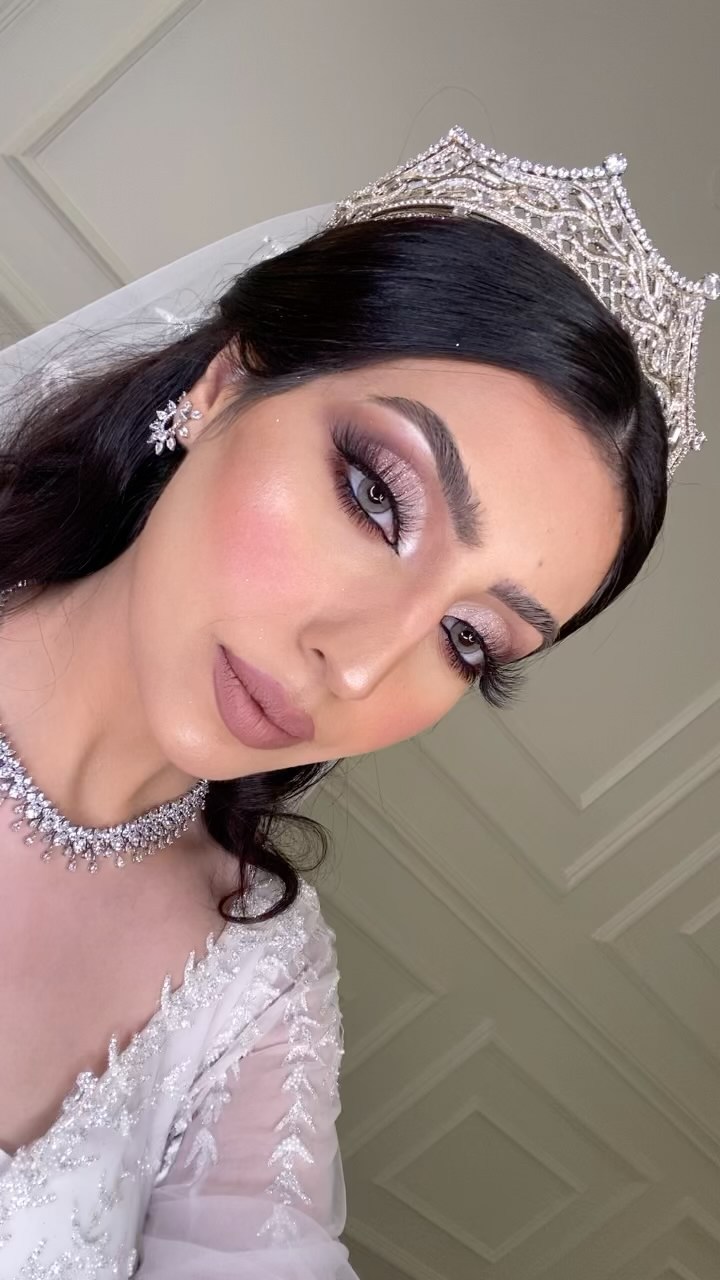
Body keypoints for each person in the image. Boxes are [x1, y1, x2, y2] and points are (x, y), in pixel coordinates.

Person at [0, 127, 715, 1277]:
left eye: (468, 638)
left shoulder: (255, 981)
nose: (362, 664)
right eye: (378, 496)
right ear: (224, 381)